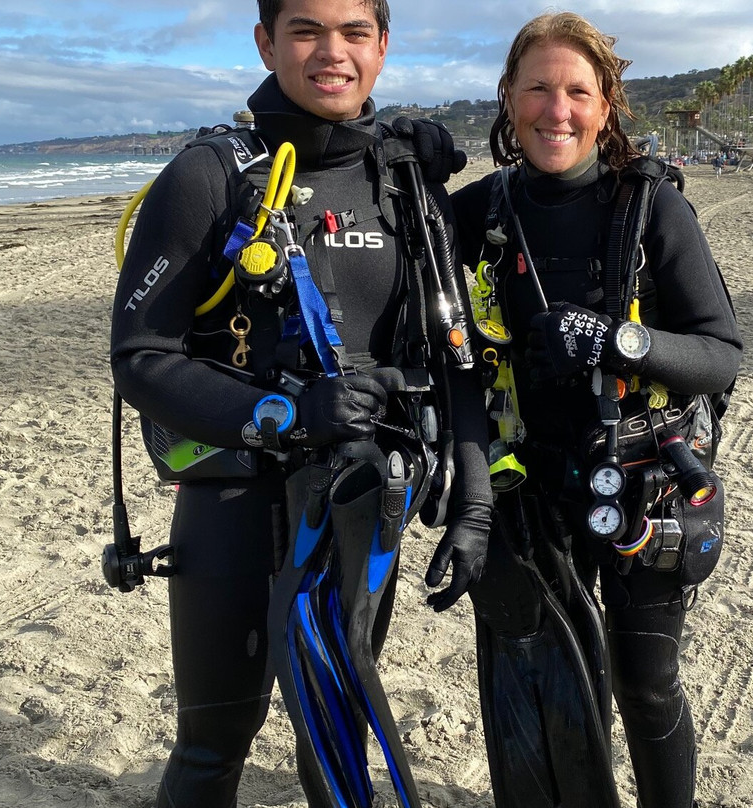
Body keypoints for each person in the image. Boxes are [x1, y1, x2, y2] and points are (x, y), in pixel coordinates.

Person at [108, 1, 491, 805]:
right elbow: (141, 358)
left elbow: (455, 344)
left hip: (360, 502)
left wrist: (473, 497)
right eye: (306, 31)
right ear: (265, 42)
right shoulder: (210, 175)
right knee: (213, 745)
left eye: (354, 32)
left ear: (383, 45)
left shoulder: (406, 179)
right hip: (235, 502)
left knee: (338, 724)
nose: (333, 53)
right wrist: (288, 415)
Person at [451, 12, 742, 808]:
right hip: (526, 487)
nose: (557, 109)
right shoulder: (475, 215)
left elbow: (721, 354)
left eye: (577, 91)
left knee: (646, 686)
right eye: (538, 88)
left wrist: (618, 339)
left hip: (642, 480)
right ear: (508, 98)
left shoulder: (651, 210)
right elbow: (450, 361)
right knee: (546, 680)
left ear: (606, 106)